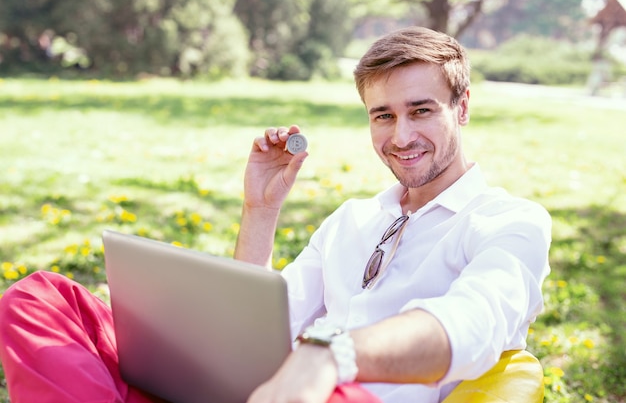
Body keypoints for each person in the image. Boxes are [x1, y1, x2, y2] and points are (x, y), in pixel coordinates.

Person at [0, 26, 551, 403]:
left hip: (346, 395)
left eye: (421, 111)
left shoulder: (509, 223)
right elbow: (258, 331)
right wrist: (259, 210)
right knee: (39, 300)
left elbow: (472, 327)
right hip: (272, 390)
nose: (401, 136)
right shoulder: (352, 220)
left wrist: (330, 358)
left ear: (463, 106)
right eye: (383, 116)